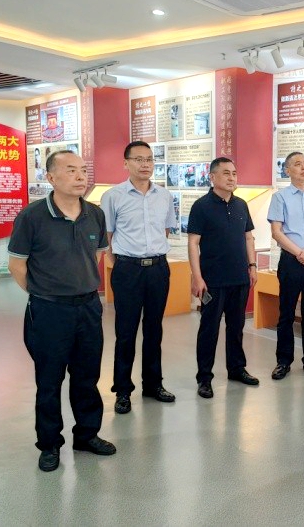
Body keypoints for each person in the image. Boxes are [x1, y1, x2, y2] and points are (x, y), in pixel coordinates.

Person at [7, 150, 116, 472]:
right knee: (49, 380)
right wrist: (45, 292)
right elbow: (17, 266)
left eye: (83, 170)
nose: (80, 176)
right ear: (51, 177)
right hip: (49, 311)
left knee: (87, 377)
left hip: (88, 308)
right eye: (71, 170)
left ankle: (87, 434)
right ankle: (50, 444)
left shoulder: (95, 214)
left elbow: (96, 255)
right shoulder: (32, 217)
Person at [100, 141, 177, 415]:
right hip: (127, 270)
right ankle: (122, 390)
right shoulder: (113, 196)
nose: (145, 164)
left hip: (158, 268)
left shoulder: (164, 196)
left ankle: (153, 384)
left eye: (149, 159)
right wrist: (119, 264)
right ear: (126, 163)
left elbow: (165, 231)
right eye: (139, 159)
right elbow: (107, 237)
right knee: (126, 332)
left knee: (154, 329)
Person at [187, 157, 259, 399]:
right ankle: (204, 378)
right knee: (209, 330)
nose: (232, 178)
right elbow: (193, 243)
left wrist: (252, 266)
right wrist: (197, 277)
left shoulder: (241, 205)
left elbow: (248, 237)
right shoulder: (201, 206)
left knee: (237, 327)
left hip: (239, 278)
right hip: (213, 281)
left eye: (234, 173)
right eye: (226, 173)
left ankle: (237, 368)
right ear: (212, 177)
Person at [267, 152, 304, 380]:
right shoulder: (280, 197)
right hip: (291, 261)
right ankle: (283, 361)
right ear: (287, 170)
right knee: (286, 313)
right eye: (297, 164)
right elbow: (276, 232)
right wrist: (301, 254)